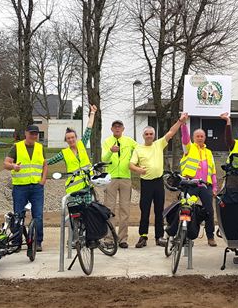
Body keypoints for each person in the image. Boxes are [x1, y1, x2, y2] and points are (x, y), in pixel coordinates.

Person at [128, 114, 187, 248]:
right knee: (145, 210)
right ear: (143, 136)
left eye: (151, 134)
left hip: (158, 182)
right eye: (147, 134)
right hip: (146, 183)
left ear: (154, 135)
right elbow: (131, 165)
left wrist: (180, 121)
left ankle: (159, 237)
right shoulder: (138, 148)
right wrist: (139, 170)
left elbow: (171, 132)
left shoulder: (158, 144)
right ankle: (143, 237)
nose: (149, 136)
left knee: (159, 211)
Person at [3, 125, 47, 251]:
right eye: (31, 133)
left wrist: (43, 179)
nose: (33, 136)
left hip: (36, 187)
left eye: (36, 134)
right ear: (26, 133)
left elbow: (45, 165)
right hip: (20, 187)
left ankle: (37, 242)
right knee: (18, 215)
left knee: (38, 215)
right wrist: (13, 166)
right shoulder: (17, 147)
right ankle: (16, 242)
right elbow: (6, 163)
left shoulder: (40, 147)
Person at [179, 114, 218, 247]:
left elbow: (213, 172)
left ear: (205, 138)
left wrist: (214, 188)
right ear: (194, 138)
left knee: (209, 211)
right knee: (187, 208)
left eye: (202, 136)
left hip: (204, 186)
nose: (200, 138)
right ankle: (185, 235)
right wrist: (184, 124)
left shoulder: (209, 152)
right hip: (191, 184)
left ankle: (210, 236)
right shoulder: (189, 148)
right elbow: (185, 139)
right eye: (197, 136)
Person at [101, 119, 137, 248]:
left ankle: (122, 239)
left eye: (119, 127)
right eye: (115, 127)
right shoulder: (107, 142)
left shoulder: (129, 141)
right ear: (111, 129)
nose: (117, 129)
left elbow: (139, 151)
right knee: (109, 208)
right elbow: (103, 159)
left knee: (125, 209)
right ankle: (109, 239)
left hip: (126, 178)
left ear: (123, 129)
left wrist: (135, 162)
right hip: (111, 178)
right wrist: (111, 150)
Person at [47, 105, 96, 194]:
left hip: (88, 184)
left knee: (89, 207)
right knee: (76, 208)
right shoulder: (64, 153)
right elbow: (50, 161)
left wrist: (92, 113)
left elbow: (89, 128)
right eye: (68, 138)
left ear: (76, 137)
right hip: (75, 187)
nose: (71, 140)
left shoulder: (82, 144)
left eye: (72, 137)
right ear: (66, 140)